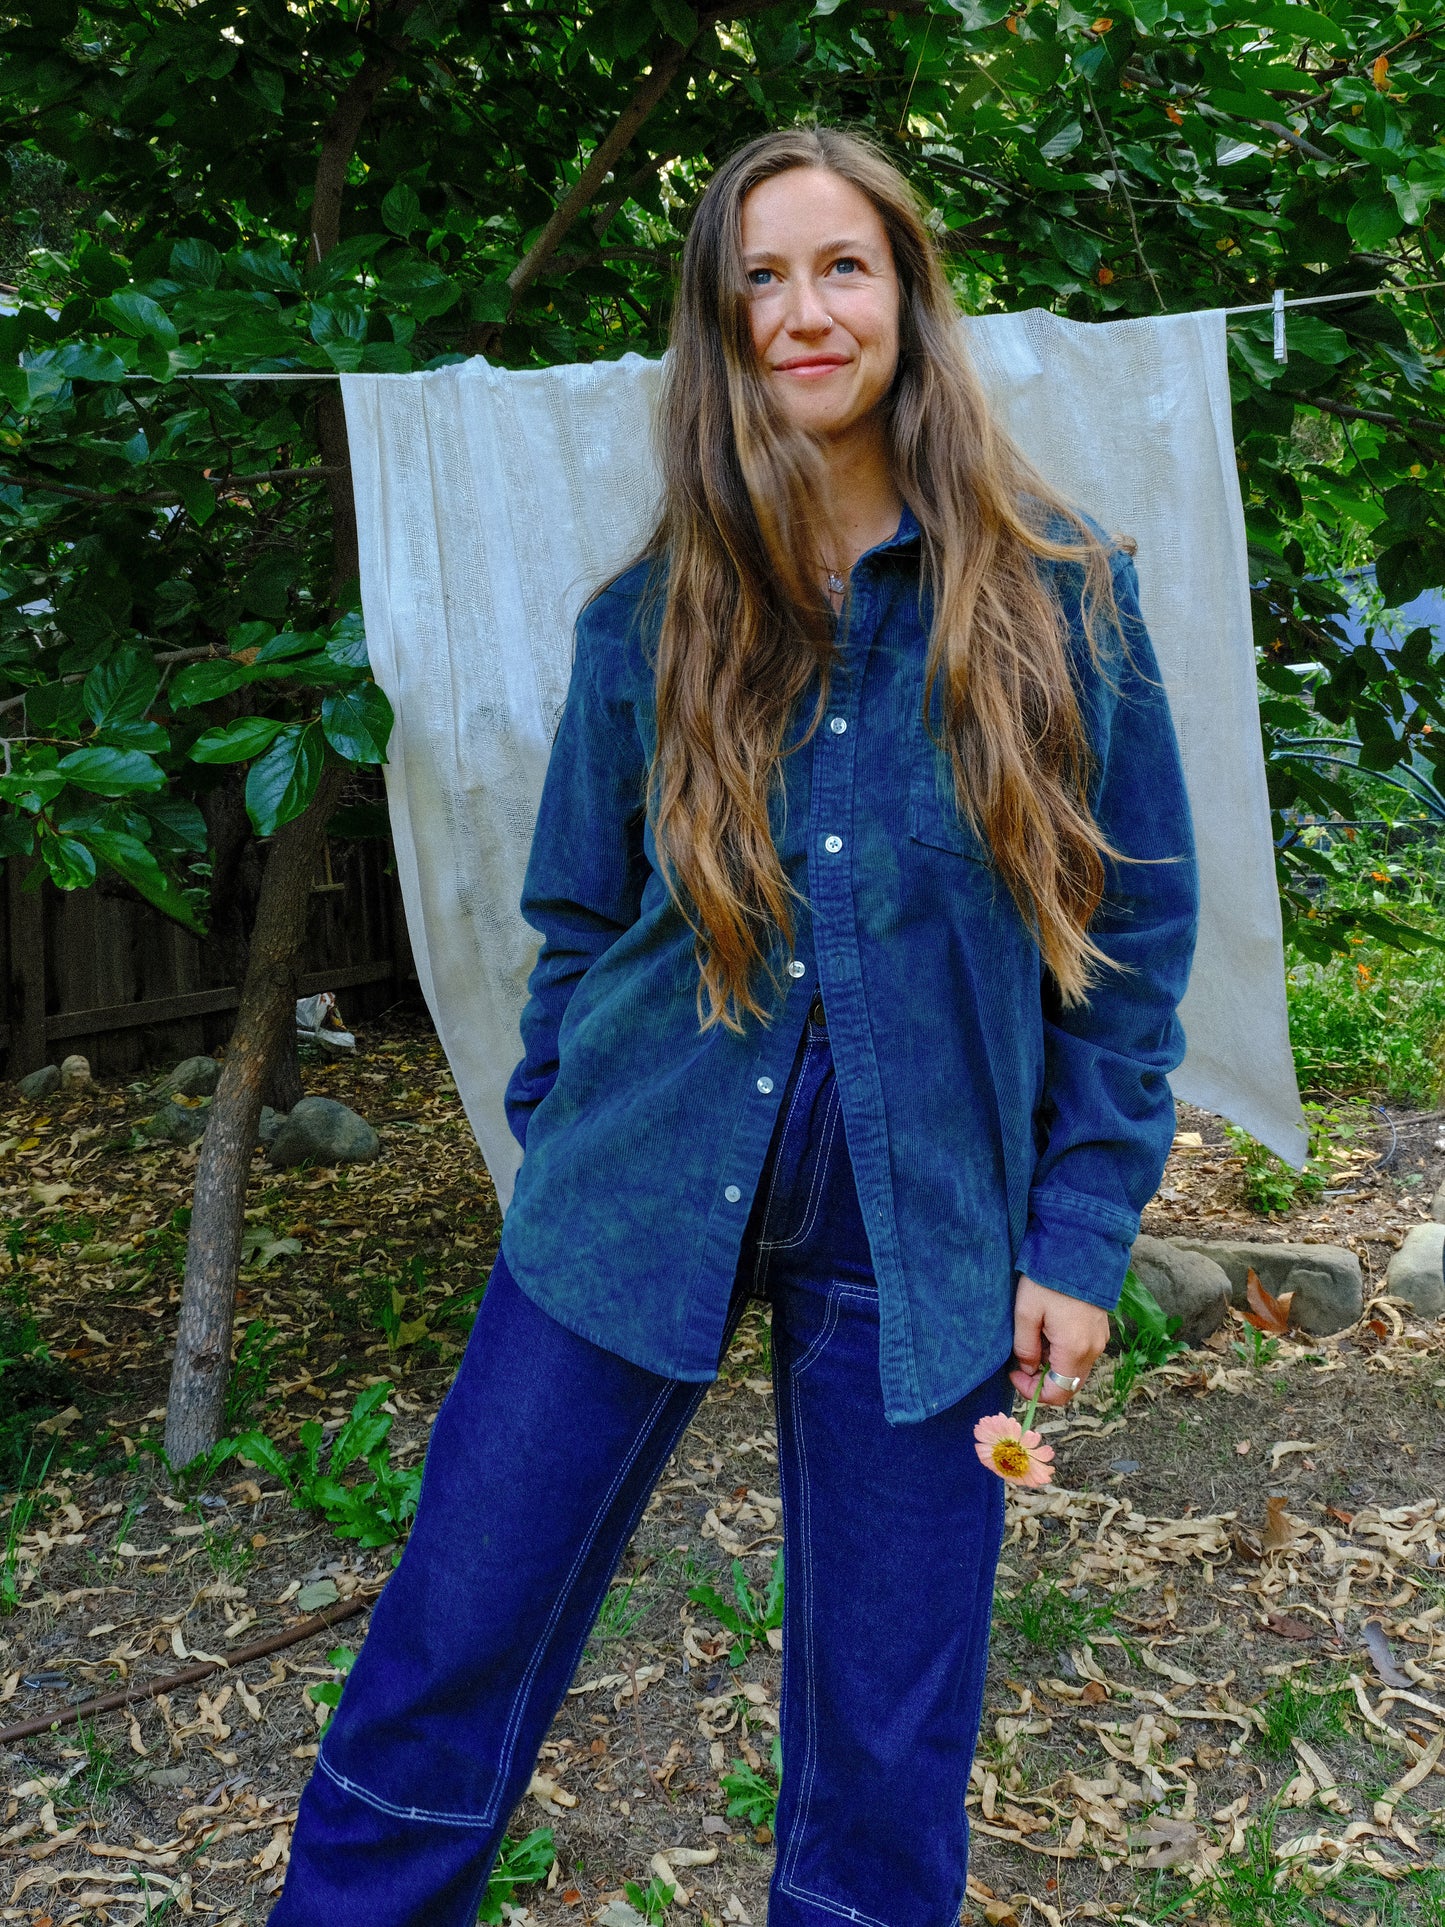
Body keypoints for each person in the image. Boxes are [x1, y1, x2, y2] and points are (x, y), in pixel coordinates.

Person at [272, 126, 1198, 1927]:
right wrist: (564, 1136)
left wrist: (1076, 1234)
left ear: (908, 299)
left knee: (885, 1755)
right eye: (758, 278)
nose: (802, 310)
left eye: (839, 266)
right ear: (718, 327)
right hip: (630, 1194)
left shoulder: (1062, 596)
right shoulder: (653, 613)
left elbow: (1132, 934)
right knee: (445, 1650)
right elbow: (570, 917)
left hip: (925, 1234)